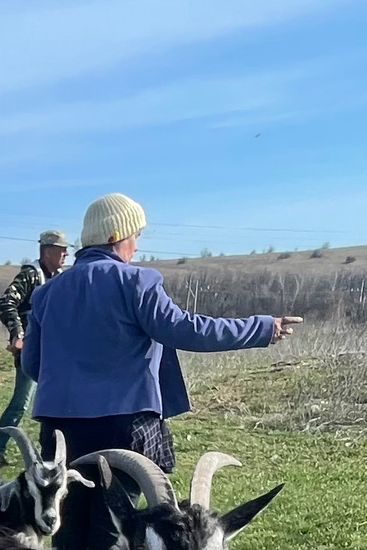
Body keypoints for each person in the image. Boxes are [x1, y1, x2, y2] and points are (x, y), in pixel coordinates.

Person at [22, 193, 300, 472]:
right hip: (124, 423)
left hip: (58, 426)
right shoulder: (135, 281)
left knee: (72, 500)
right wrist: (261, 328)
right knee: (123, 501)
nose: (136, 246)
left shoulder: (46, 293)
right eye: (135, 236)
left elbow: (32, 364)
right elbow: (185, 330)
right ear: (115, 236)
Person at [0, 230, 70, 430]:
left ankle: (52, 444)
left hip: (53, 350)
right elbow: (6, 303)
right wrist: (18, 334)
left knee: (55, 401)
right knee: (22, 402)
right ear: (47, 252)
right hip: (32, 349)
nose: (66, 254)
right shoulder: (30, 275)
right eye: (62, 250)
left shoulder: (60, 278)